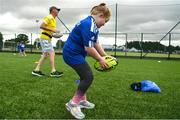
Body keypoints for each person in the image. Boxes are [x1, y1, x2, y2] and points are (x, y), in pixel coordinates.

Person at [63, 3, 111, 119]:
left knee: (84, 76)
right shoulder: (89, 24)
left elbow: (95, 43)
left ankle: (82, 101)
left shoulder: (93, 25)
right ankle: (73, 103)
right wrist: (100, 59)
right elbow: (89, 48)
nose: (104, 24)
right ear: (101, 15)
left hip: (76, 53)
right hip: (72, 54)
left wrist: (105, 55)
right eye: (105, 21)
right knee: (88, 76)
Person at [32, 6, 63, 77]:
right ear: (53, 11)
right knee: (52, 53)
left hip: (47, 38)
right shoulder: (49, 17)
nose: (58, 11)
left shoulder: (53, 20)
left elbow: (51, 32)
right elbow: (42, 26)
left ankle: (36, 70)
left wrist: (57, 35)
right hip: (45, 38)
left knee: (45, 55)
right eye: (57, 10)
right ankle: (53, 71)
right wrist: (53, 30)